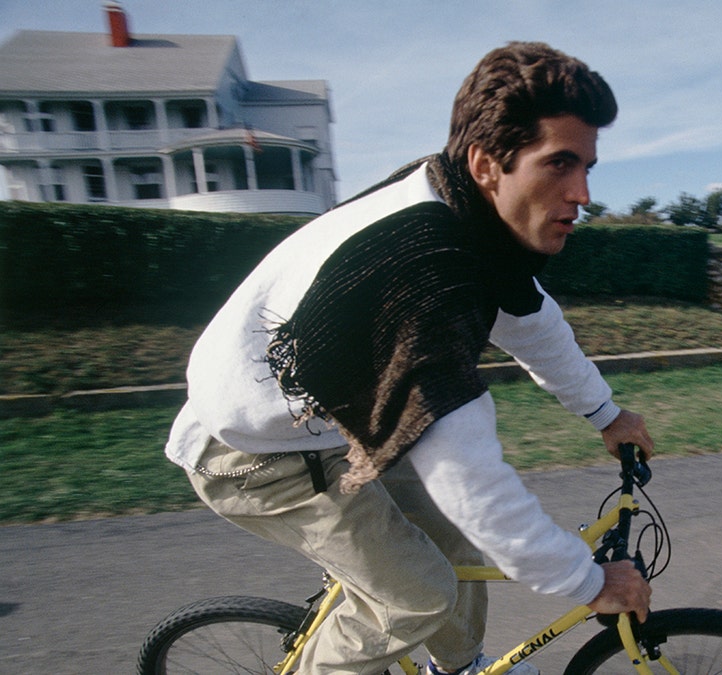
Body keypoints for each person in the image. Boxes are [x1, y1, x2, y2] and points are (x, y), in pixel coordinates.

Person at [164, 41, 654, 675]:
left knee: (453, 541)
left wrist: (606, 413)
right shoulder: (425, 277)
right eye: (559, 164)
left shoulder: (457, 196)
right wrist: (587, 582)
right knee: (414, 596)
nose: (582, 192)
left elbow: (531, 321)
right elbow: (469, 478)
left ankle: (459, 668)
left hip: (323, 421)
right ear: (487, 164)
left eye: (586, 165)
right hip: (254, 455)